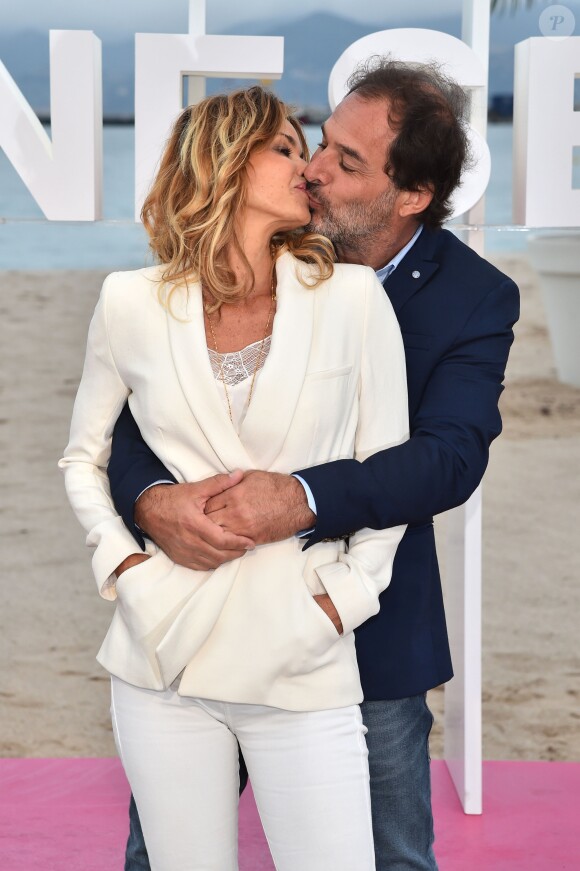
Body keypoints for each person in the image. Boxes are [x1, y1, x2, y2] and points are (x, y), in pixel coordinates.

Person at [108, 59, 520, 871]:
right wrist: (152, 503)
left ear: (412, 195)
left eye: (346, 161)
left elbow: (446, 458)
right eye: (319, 142)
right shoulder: (243, 246)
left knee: (391, 856)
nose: (314, 168)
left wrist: (299, 500)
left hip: (366, 627)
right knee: (159, 855)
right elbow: (133, 420)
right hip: (200, 614)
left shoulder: (475, 297)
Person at [59, 86, 410, 870]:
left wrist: (345, 598)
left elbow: (388, 475)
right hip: (163, 656)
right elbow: (85, 456)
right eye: (284, 148)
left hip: (300, 651)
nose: (307, 167)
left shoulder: (352, 299)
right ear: (222, 160)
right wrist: (124, 565)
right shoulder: (130, 302)